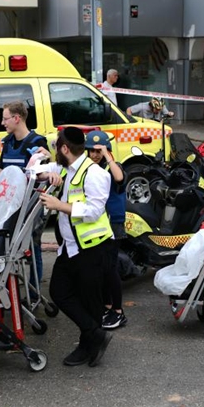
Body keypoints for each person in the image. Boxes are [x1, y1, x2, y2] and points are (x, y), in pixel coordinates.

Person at [31, 127, 114, 367]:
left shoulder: (95, 174)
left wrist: (60, 205)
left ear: (65, 149)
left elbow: (94, 211)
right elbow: (35, 171)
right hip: (71, 246)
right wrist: (44, 174)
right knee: (59, 292)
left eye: (57, 146)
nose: (55, 150)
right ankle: (95, 335)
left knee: (91, 300)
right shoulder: (64, 168)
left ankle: (88, 344)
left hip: (92, 247)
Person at [0, 100, 48, 300]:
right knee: (9, 250)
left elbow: (46, 169)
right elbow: (1, 172)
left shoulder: (37, 143)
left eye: (5, 118)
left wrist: (45, 157)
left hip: (30, 207)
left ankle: (34, 295)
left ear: (17, 118)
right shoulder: (8, 142)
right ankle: (10, 289)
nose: (3, 123)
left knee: (32, 250)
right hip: (9, 207)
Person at [84, 130, 127, 329]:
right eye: (91, 150)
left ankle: (118, 311)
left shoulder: (112, 167)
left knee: (110, 270)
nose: (94, 154)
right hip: (98, 225)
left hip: (113, 224)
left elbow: (119, 179)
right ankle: (107, 306)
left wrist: (107, 156)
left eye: (98, 150)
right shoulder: (88, 168)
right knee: (101, 269)